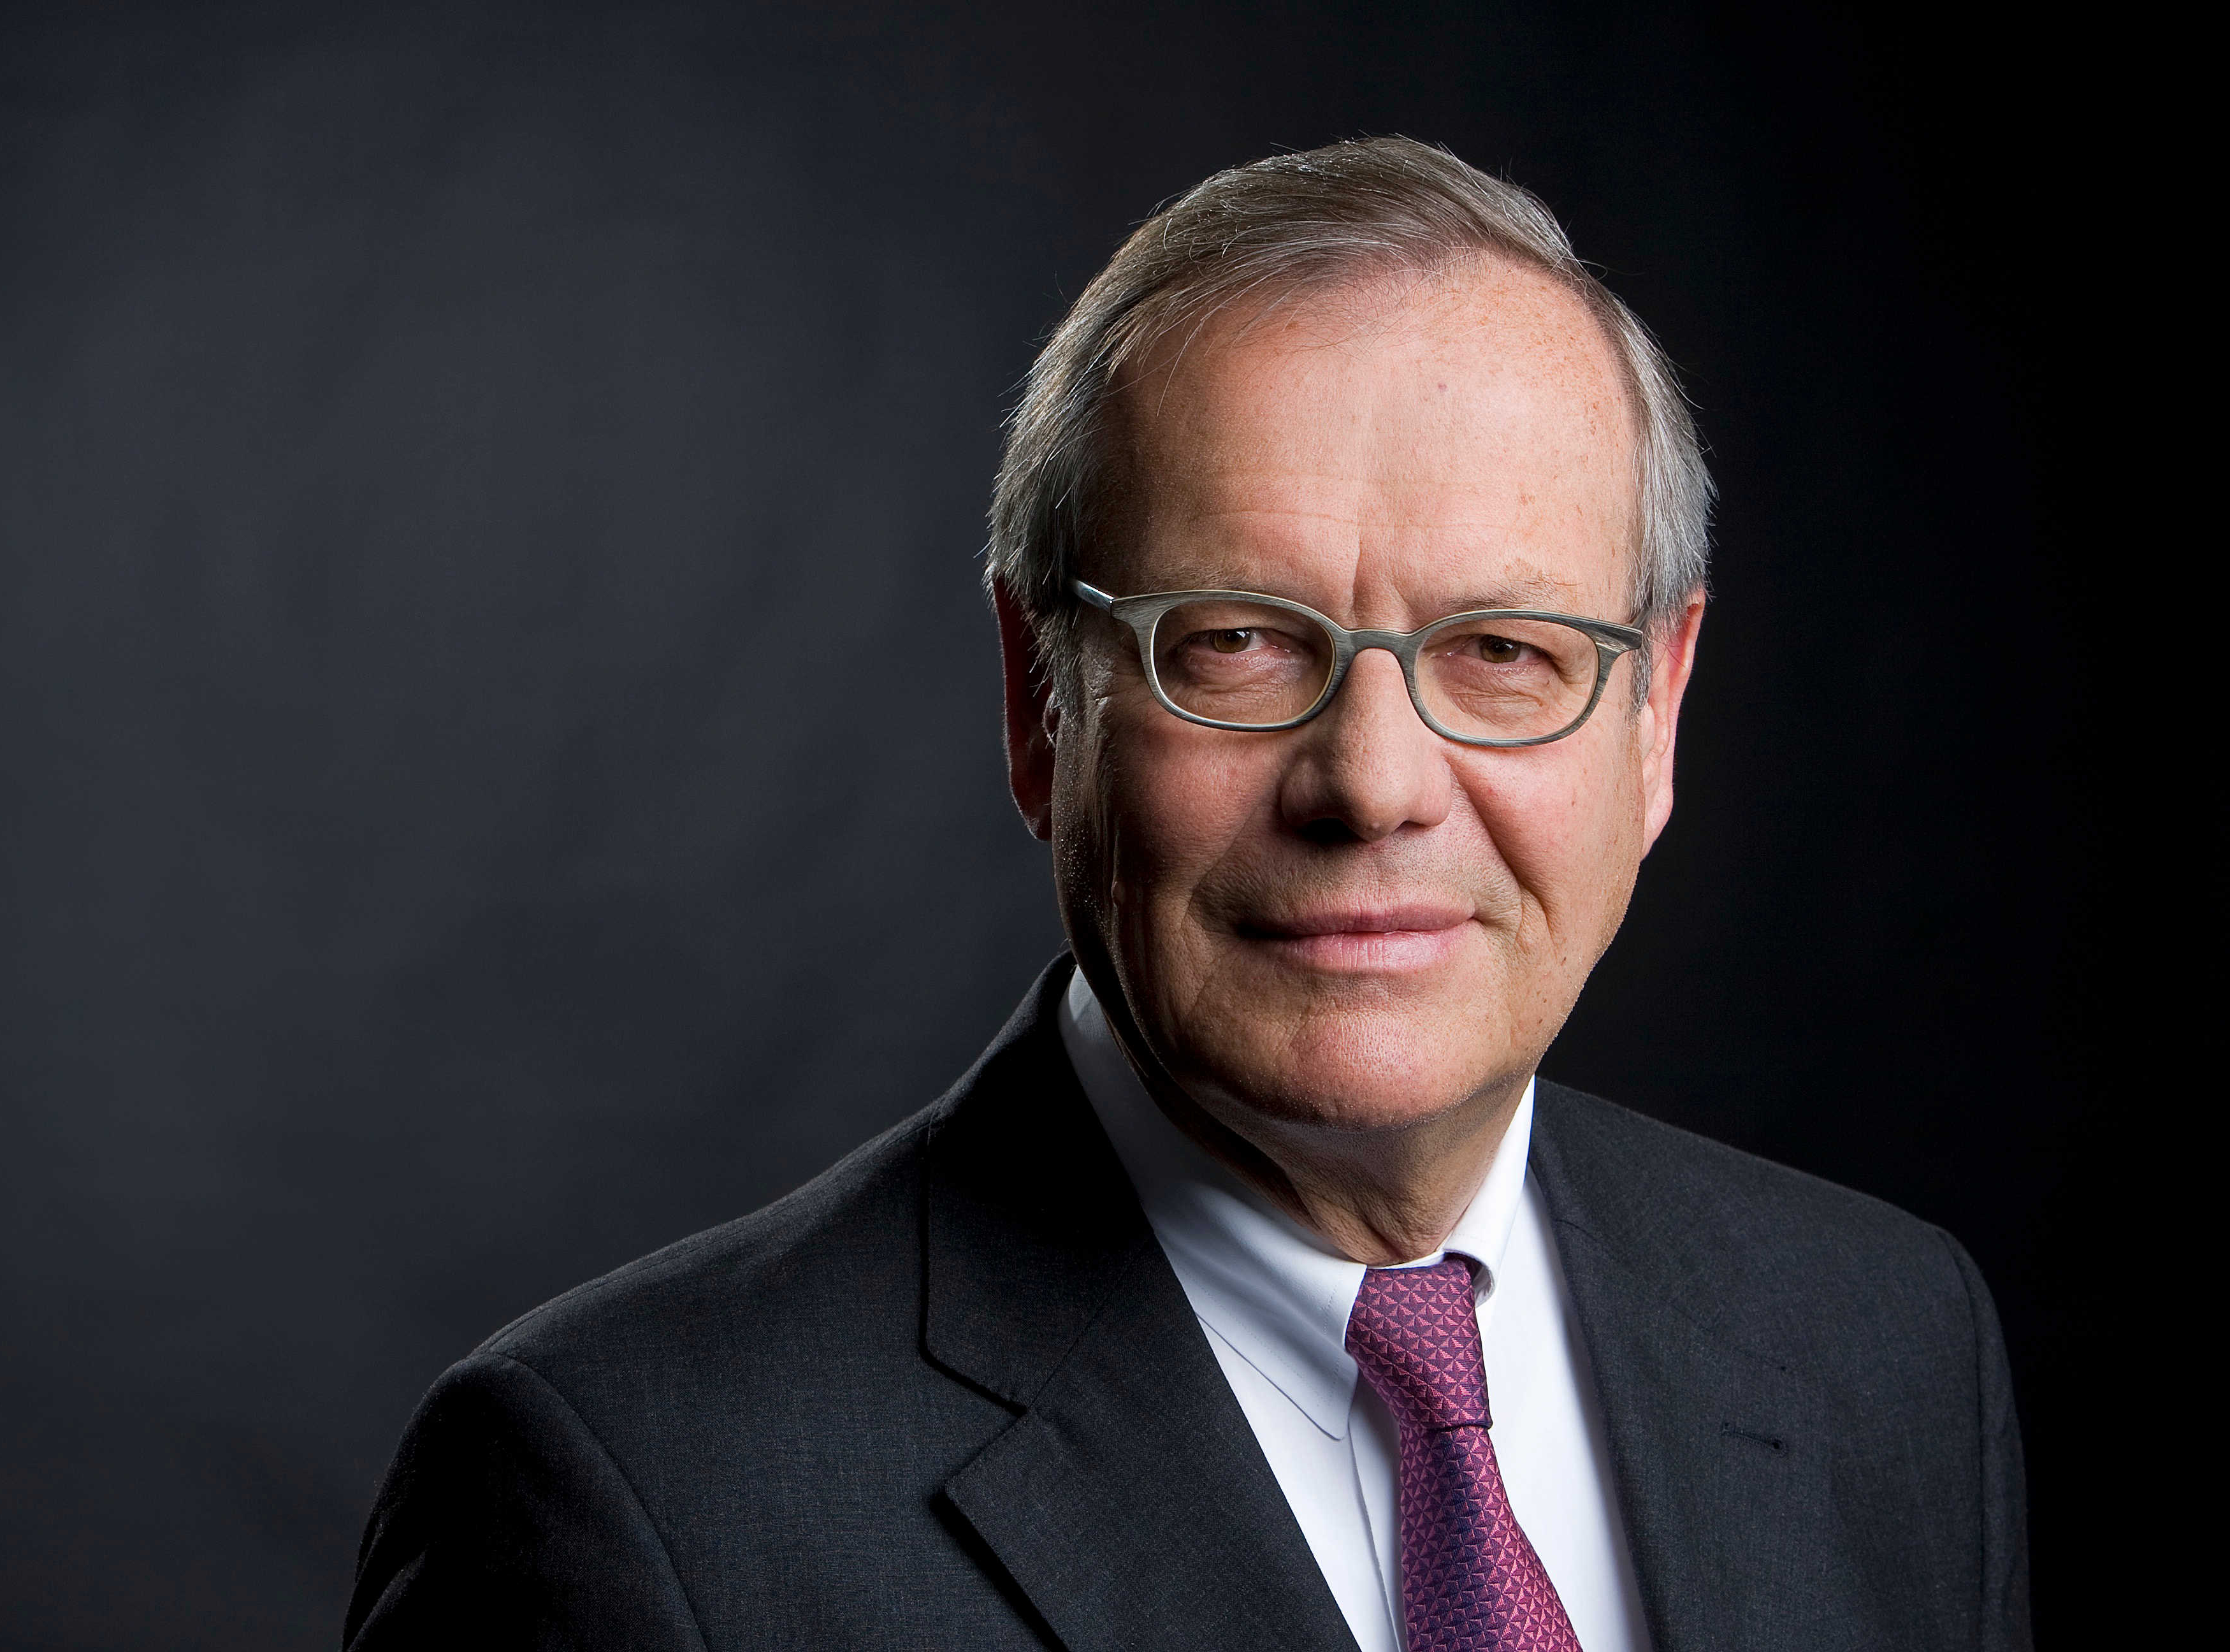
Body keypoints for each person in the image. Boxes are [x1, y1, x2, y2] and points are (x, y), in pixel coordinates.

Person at [343, 136, 2029, 1652]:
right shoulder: (631, 1504)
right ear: (1040, 704)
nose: (1372, 784)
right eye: (1235, 643)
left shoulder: (1884, 1346)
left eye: (1506, 652)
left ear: (1655, 717)